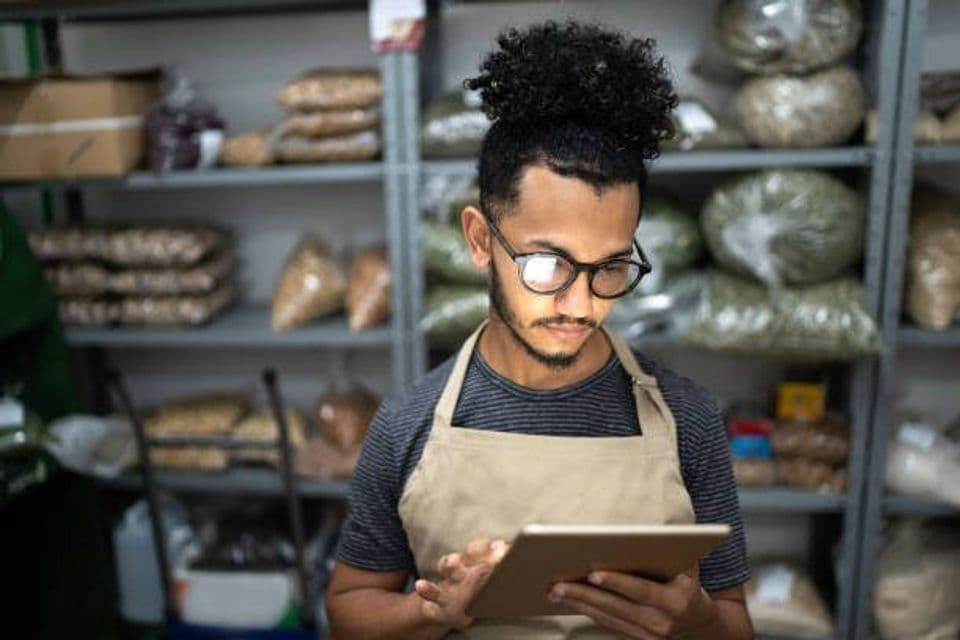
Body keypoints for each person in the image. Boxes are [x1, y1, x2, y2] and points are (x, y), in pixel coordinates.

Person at [327, 20, 752, 639]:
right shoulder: (407, 424)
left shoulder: (687, 419)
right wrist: (432, 611)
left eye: (609, 266)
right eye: (548, 264)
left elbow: (735, 624)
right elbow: (347, 611)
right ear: (479, 239)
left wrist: (699, 623)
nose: (579, 304)